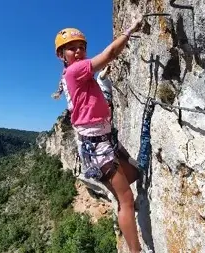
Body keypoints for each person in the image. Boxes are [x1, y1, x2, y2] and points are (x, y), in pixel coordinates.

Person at [52, 15, 145, 253]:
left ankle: (121, 208)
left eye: (81, 47)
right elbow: (110, 55)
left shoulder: (74, 74)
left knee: (134, 174)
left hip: (101, 142)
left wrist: (102, 80)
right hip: (97, 146)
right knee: (127, 200)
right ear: (62, 55)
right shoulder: (75, 71)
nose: (78, 51)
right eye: (71, 48)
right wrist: (129, 30)